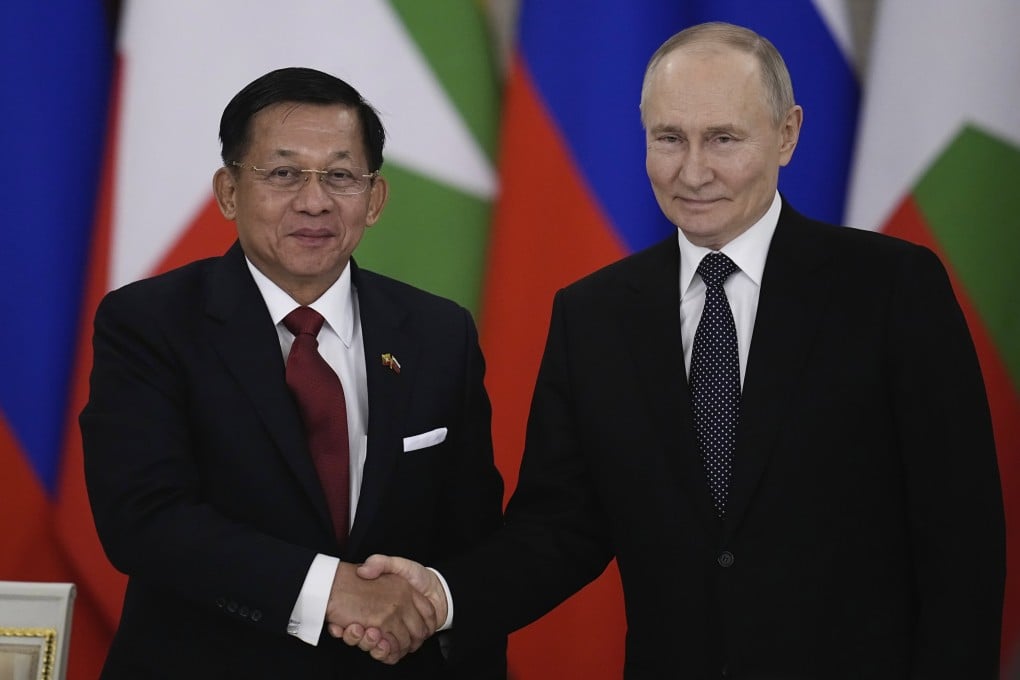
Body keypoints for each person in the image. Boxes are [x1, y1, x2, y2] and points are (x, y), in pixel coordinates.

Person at [341, 22, 1006, 678]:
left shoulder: (890, 288)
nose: (693, 171)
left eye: (723, 139)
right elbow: (561, 528)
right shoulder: (593, 315)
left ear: (787, 134)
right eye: (669, 138)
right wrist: (442, 596)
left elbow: (961, 535)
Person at [79, 67, 506, 679]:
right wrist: (331, 589)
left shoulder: (440, 333)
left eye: (340, 176)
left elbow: (474, 544)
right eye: (283, 174)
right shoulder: (150, 323)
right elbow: (144, 518)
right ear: (228, 192)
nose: (314, 201)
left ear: (375, 199)